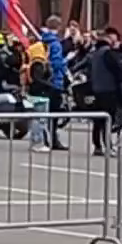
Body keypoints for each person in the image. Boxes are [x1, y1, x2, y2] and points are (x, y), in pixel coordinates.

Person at [88, 27, 122, 156]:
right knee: (108, 119)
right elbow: (117, 70)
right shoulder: (108, 53)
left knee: (97, 120)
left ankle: (97, 146)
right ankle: (108, 146)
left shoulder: (95, 53)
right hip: (108, 89)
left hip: (96, 89)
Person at [40, 17, 69, 150]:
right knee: (54, 113)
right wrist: (66, 61)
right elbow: (57, 63)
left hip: (44, 81)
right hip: (55, 81)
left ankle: (46, 138)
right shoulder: (56, 44)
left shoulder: (42, 41)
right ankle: (52, 138)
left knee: (45, 112)